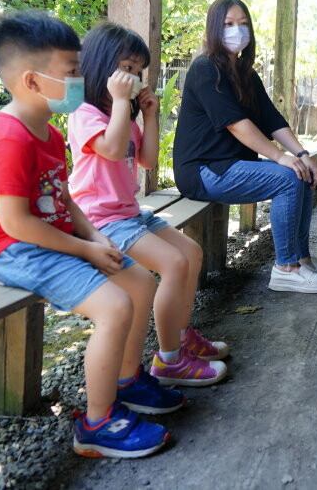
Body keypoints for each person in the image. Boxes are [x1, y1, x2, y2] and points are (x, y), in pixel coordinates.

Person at [0, 11, 184, 459]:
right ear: (32, 80)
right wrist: (85, 246)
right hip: (15, 251)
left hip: (55, 236)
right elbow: (16, 224)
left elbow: (64, 199)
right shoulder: (7, 137)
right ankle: (97, 422)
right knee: (115, 304)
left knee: (140, 282)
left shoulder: (44, 130)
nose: (82, 80)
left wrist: (94, 239)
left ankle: (126, 379)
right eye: (72, 72)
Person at [67, 23, 228, 387]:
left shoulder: (122, 112)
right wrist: (123, 103)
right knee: (172, 264)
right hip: (99, 219)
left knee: (191, 252)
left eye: (138, 71)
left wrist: (151, 115)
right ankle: (169, 360)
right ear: (101, 66)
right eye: (127, 68)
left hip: (128, 213)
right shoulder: (84, 113)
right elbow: (109, 149)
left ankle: (182, 337)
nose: (135, 77)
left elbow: (149, 161)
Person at [173, 0, 317, 294]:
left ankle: (301, 260)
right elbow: (236, 124)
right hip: (203, 170)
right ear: (214, 28)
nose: (236, 30)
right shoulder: (205, 69)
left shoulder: (245, 73)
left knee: (299, 171)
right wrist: (279, 157)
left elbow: (272, 119)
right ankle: (285, 269)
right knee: (289, 178)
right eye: (228, 24)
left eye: (242, 24)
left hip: (232, 166)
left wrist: (301, 154)